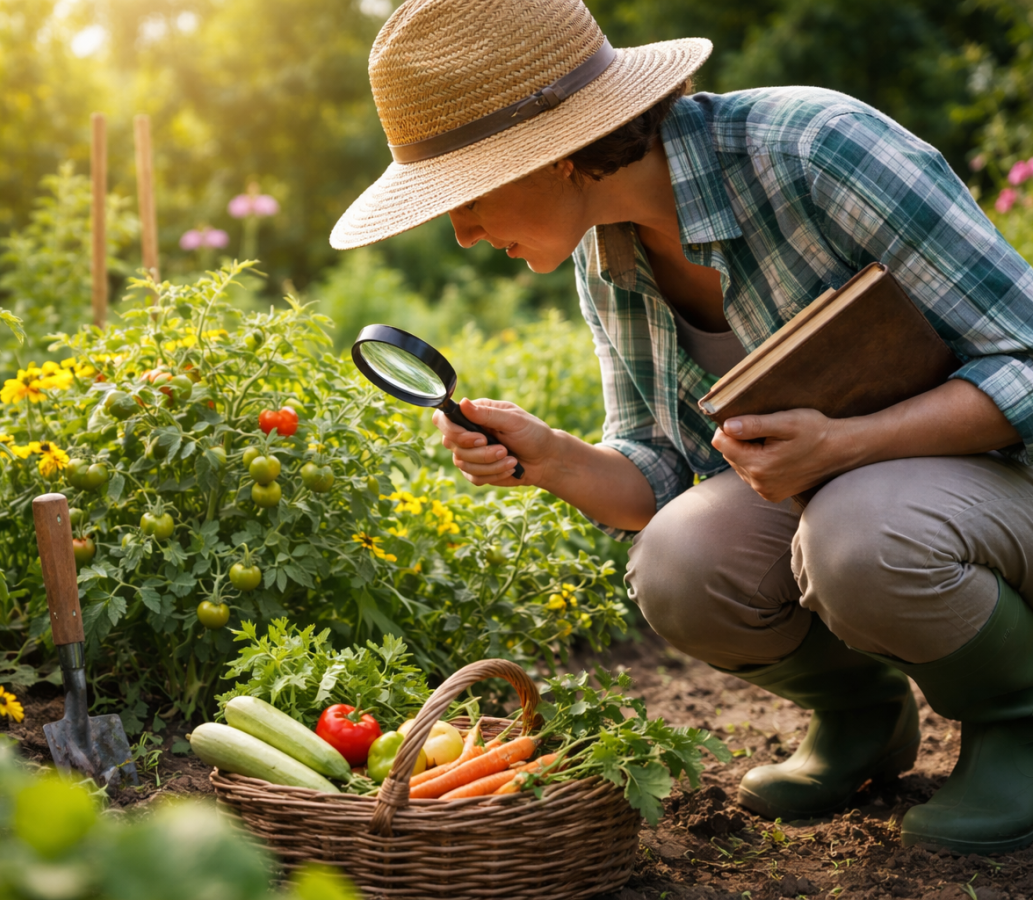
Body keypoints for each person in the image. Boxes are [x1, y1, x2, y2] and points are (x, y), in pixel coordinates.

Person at [330, 0, 1033, 855]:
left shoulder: (819, 150)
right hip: (863, 493)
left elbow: (1025, 356)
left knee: (855, 529)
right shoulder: (608, 257)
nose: (463, 232)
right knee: (677, 560)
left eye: (466, 193)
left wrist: (847, 445)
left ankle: (1017, 725)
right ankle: (860, 716)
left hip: (1002, 473)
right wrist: (551, 456)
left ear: (555, 155)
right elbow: (655, 478)